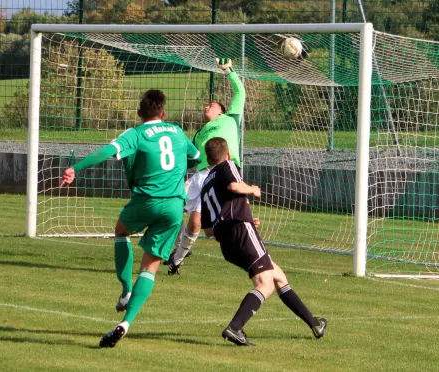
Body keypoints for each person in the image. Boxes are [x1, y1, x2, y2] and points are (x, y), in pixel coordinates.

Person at [60, 89, 201, 348]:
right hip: (173, 205)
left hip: (145, 201)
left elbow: (105, 152)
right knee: (150, 267)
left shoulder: (136, 134)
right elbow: (196, 158)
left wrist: (74, 168)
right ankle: (126, 322)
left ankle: (125, 290)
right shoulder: (178, 131)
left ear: (139, 113)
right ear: (163, 112)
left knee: (121, 231)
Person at [199, 137, 326, 346]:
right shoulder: (227, 165)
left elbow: (207, 230)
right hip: (240, 231)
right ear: (227, 154)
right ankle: (235, 327)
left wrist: (243, 220)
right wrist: (252, 190)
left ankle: (315, 323)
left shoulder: (205, 183)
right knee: (265, 283)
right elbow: (234, 185)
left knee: (278, 276)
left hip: (227, 242)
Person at [167, 57, 245, 275]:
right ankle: (180, 249)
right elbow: (190, 158)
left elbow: (240, 93)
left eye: (211, 104)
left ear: (221, 110)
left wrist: (228, 71)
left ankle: (177, 260)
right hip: (201, 175)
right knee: (167, 205)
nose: (206, 105)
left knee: (198, 225)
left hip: (222, 172)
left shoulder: (230, 119)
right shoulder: (200, 134)